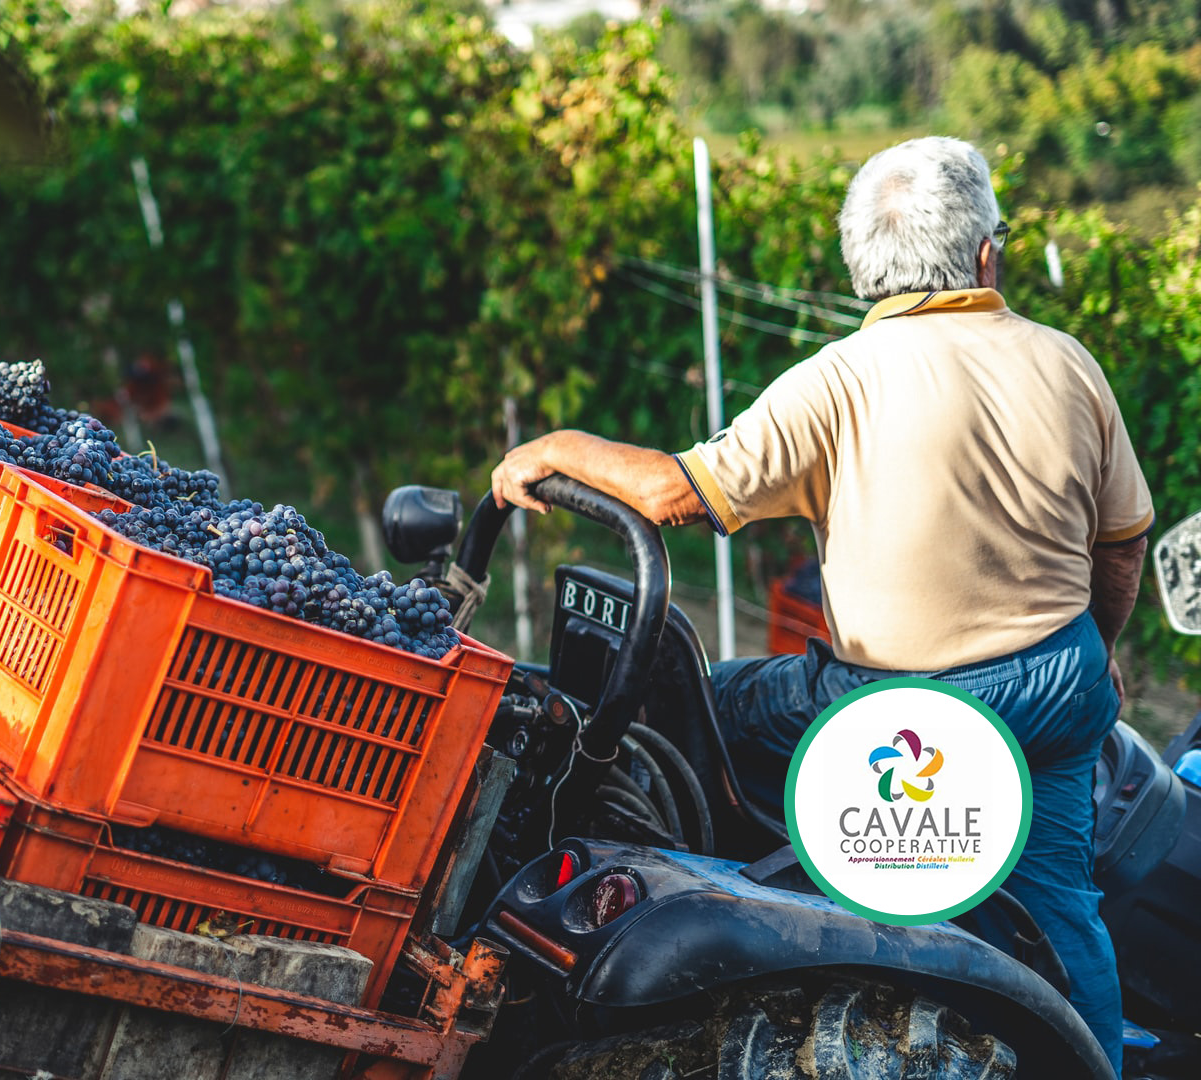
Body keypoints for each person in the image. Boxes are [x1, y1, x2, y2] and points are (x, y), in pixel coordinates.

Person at [489, 136, 1149, 1074]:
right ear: (985, 255)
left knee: (705, 707)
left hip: (891, 714)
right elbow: (1121, 546)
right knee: (1059, 901)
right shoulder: (1069, 364)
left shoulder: (838, 380)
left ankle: (770, 905)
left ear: (861, 267)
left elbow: (681, 494)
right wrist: (1097, 651)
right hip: (1050, 689)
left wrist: (557, 447)